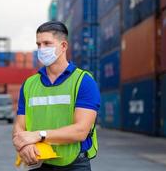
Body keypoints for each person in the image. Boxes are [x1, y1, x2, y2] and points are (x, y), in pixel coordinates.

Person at [12, 21, 100, 171]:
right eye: (38, 44)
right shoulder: (29, 84)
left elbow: (81, 131)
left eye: (47, 43)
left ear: (63, 46)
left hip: (74, 165)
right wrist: (23, 145)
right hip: (38, 162)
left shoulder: (83, 81)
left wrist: (39, 135)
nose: (41, 49)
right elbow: (19, 127)